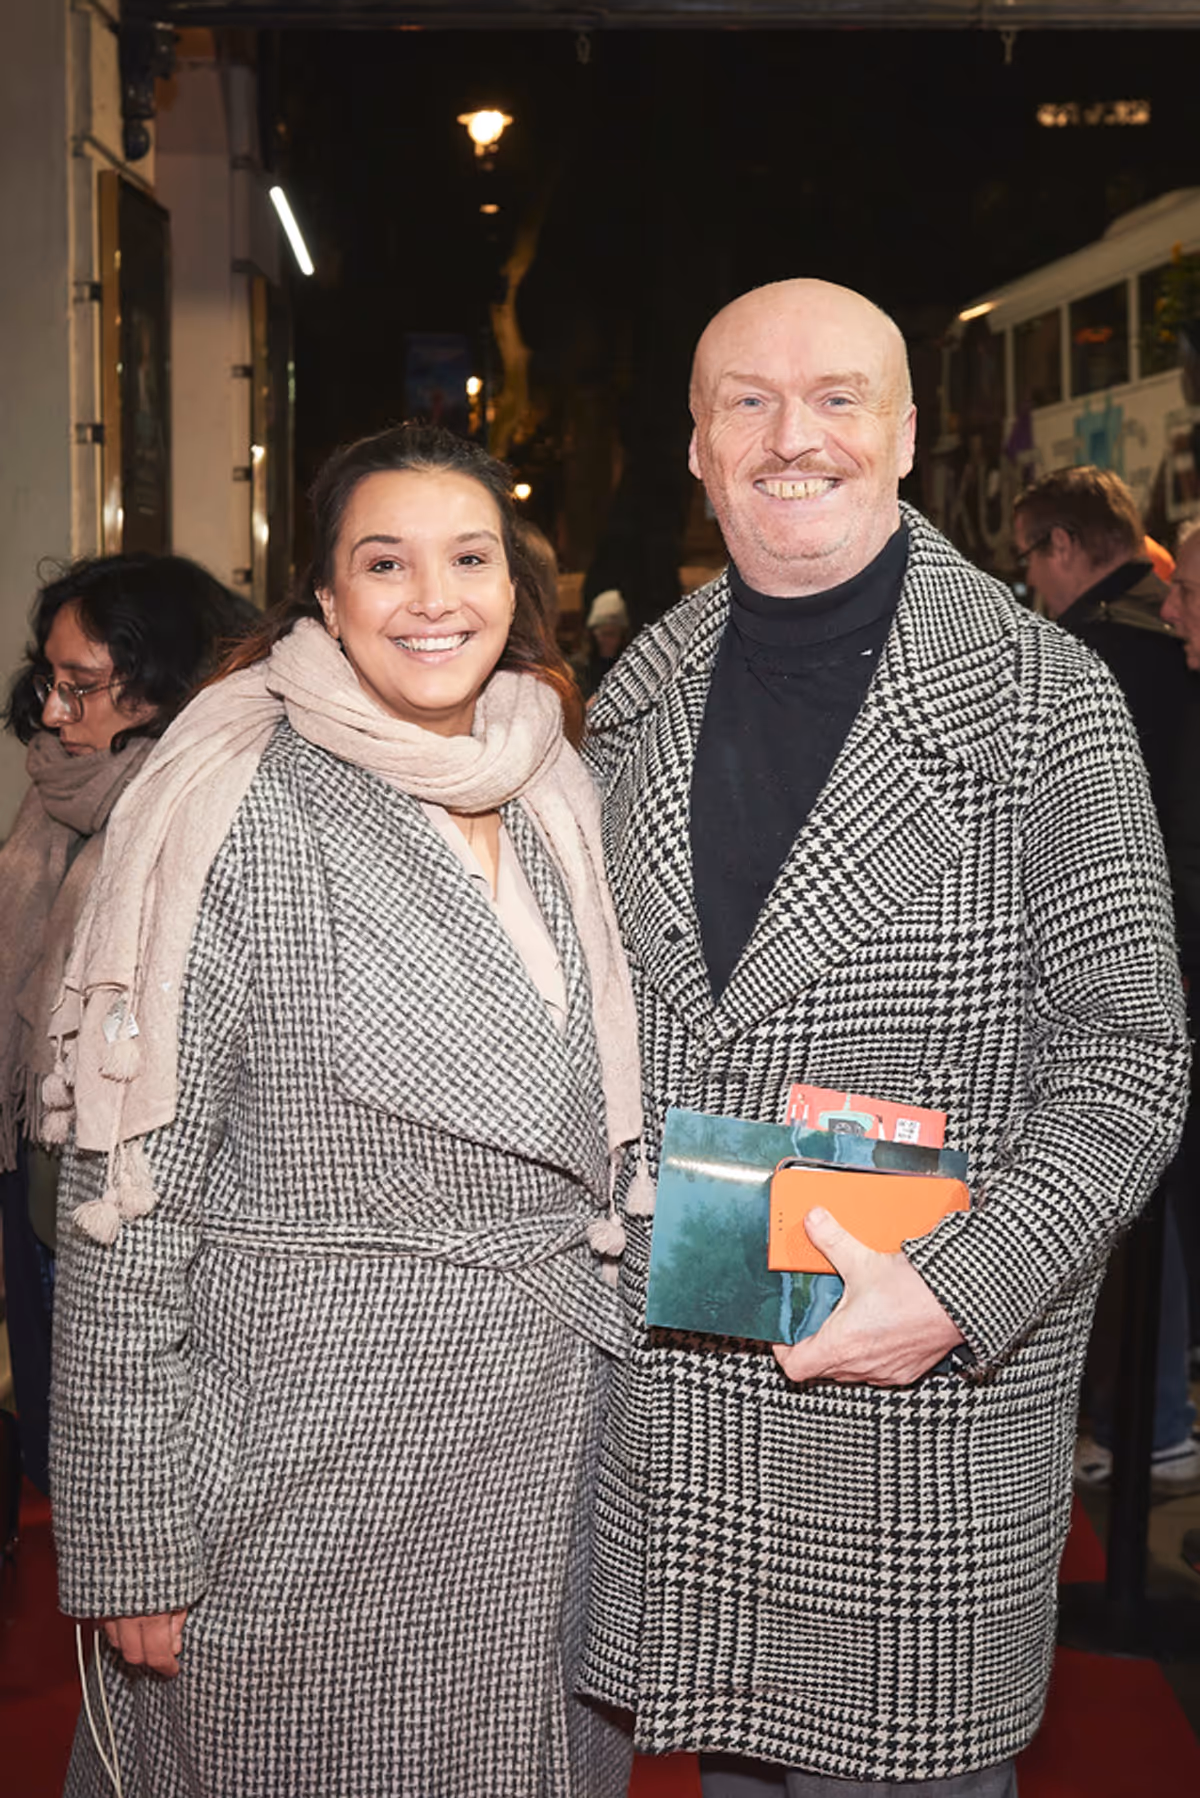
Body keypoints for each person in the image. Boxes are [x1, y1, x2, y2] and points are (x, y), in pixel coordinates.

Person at [578, 280, 1189, 1796]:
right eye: (750, 402)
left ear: (907, 432)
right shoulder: (624, 704)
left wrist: (957, 1292)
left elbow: (1131, 1059)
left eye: (840, 397)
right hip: (688, 1405)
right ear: (701, 447)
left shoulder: (1048, 698)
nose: (799, 438)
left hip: (915, 1432)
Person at [49, 425, 643, 1797]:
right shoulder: (241, 805)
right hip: (305, 1467)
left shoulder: (553, 778)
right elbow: (129, 1208)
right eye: (387, 561)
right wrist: (138, 1540)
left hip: (544, 1444)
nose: (434, 597)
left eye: (468, 557)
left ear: (513, 585)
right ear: (324, 596)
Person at [0, 553, 250, 1497]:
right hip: (40, 1198)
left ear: (159, 684)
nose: (56, 713)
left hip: (134, 1227)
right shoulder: (55, 802)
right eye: (49, 682)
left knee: (127, 1495)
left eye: (83, 687)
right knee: (65, 1485)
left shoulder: (194, 813)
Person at [1012, 469, 1199, 1493]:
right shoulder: (1150, 634)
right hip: (1165, 950)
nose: (1031, 580)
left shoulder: (1089, 654)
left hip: (1143, 959)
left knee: (1137, 1214)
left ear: (1067, 545)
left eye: (1032, 554)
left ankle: (1152, 1418)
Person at [572, 588, 630, 701]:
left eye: (612, 634)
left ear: (622, 636)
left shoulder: (629, 666)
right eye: (603, 634)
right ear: (592, 635)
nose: (608, 640)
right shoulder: (578, 668)